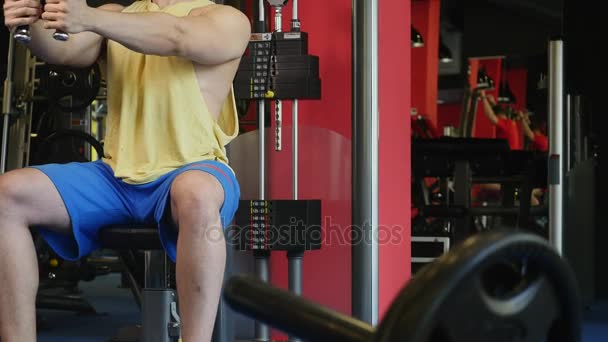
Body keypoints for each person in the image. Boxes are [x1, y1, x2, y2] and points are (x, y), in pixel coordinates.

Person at [1, 0, 250, 341]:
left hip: (194, 167)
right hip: (116, 177)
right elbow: (66, 50)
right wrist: (27, 27)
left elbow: (178, 37)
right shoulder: (115, 15)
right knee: (8, 193)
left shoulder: (227, 19)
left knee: (198, 192)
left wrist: (89, 17)